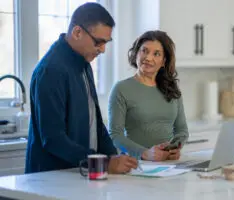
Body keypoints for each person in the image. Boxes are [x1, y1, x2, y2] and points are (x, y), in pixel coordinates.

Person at [25, 2, 138, 174]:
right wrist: (105, 163)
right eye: (98, 42)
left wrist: (114, 158)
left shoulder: (84, 63)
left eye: (106, 43)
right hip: (51, 179)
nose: (103, 49)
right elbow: (54, 139)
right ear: (77, 32)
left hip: (78, 174)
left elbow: (96, 124)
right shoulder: (51, 70)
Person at [108, 30, 189, 161]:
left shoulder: (172, 90)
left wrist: (175, 147)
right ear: (136, 53)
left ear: (164, 61)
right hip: (137, 165)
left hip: (168, 165)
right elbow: (115, 135)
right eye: (144, 51)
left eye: (156, 54)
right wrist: (144, 153)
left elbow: (182, 131)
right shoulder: (121, 89)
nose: (148, 58)